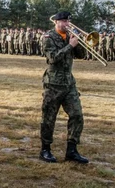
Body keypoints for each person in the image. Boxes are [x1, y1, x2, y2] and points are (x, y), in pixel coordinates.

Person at [39, 11, 89, 164]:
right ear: (56, 22)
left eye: (68, 21)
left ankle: (72, 150)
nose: (67, 24)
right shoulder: (48, 37)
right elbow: (53, 59)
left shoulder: (70, 36)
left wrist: (78, 42)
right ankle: (45, 149)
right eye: (63, 22)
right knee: (48, 118)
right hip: (53, 84)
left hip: (69, 84)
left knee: (77, 115)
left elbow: (81, 55)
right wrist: (69, 46)